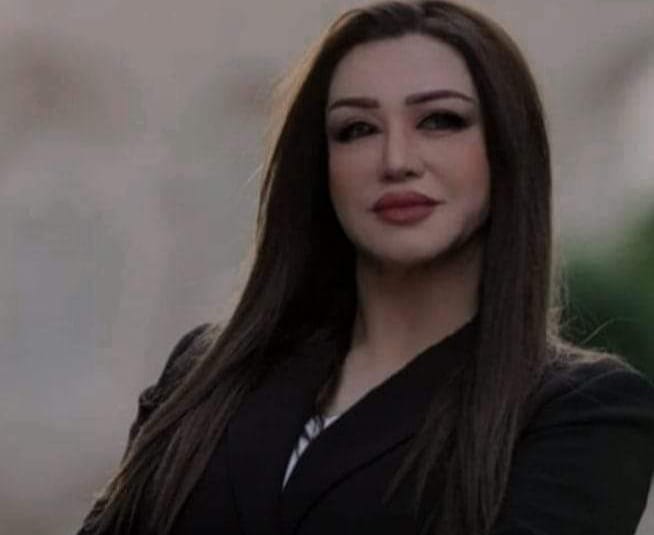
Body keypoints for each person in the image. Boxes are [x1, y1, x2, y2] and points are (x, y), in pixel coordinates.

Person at [78, 1, 654, 534]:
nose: (396, 161)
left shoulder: (582, 415)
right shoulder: (204, 374)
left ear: (505, 149)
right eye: (357, 129)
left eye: (440, 121)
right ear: (320, 165)